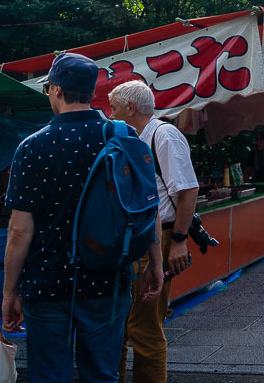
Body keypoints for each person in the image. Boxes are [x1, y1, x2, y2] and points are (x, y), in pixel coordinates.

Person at [4, 53, 163, 383]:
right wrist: (155, 263)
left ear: (57, 90)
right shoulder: (123, 137)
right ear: (93, 92)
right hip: (107, 277)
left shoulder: (33, 147)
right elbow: (147, 207)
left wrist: (9, 292)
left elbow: (20, 231)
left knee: (49, 375)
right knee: (102, 375)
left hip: (46, 284)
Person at [109, 80, 199, 383]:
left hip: (159, 236)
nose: (110, 115)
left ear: (130, 108)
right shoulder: (131, 138)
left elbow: (188, 191)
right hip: (131, 240)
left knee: (144, 327)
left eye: (114, 108)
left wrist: (178, 241)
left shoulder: (163, 134)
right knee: (118, 325)